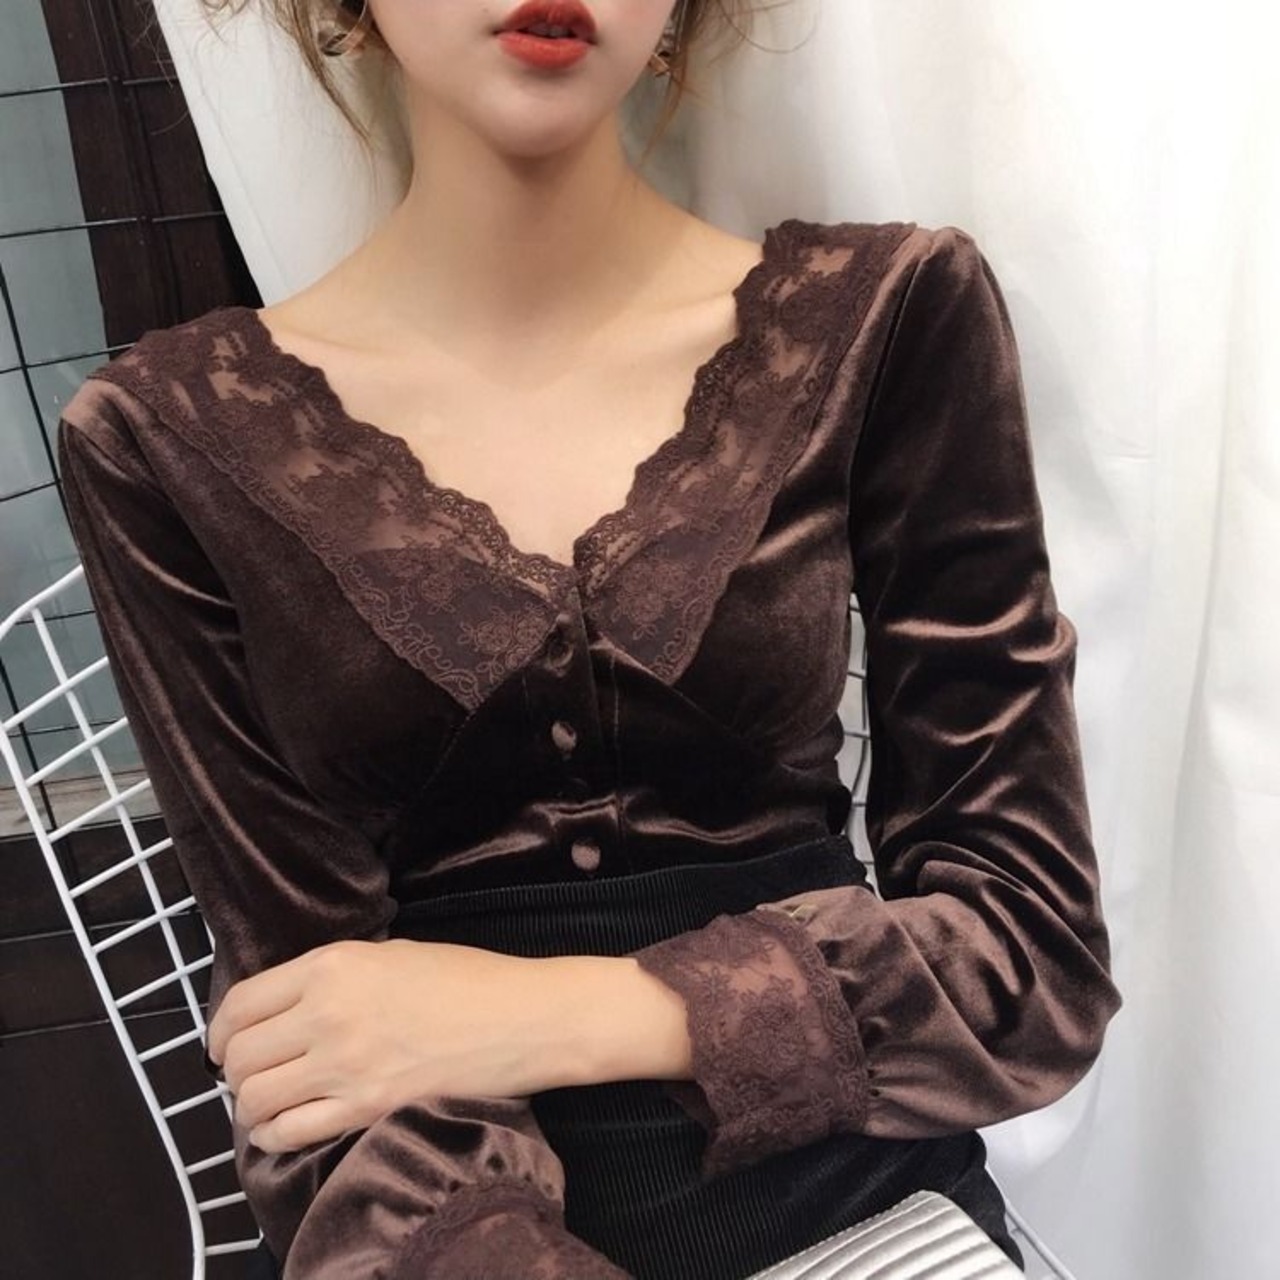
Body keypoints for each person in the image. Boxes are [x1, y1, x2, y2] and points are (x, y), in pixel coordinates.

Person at [55, 1, 1123, 1276]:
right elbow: (309, 1052)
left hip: (879, 1225)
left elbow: (1029, 955)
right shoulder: (164, 440)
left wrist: (562, 1011)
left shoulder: (886, 318)